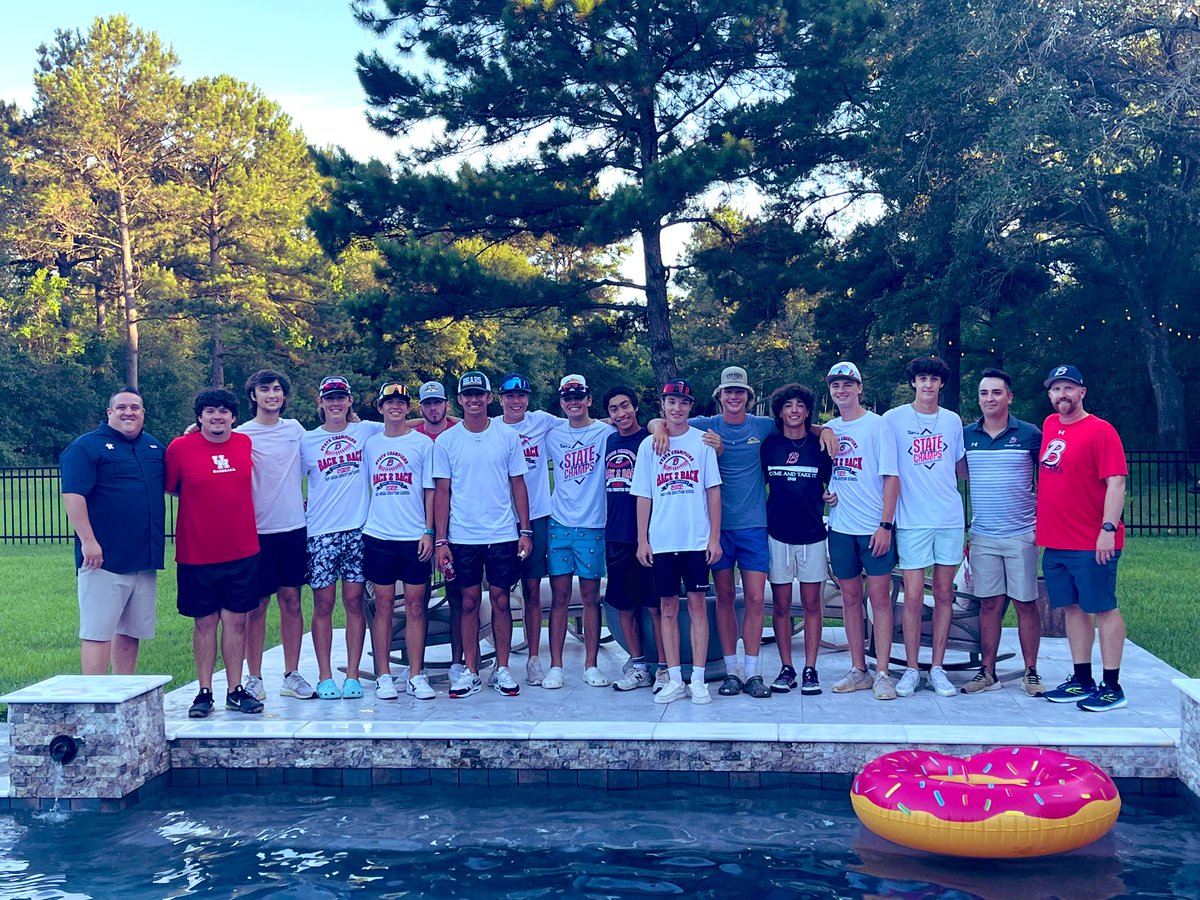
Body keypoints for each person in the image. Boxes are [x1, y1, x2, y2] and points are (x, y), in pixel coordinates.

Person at [433, 371, 533, 698]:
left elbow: (518, 484)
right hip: (462, 536)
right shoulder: (447, 441)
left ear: (489, 398)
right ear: (459, 400)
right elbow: (443, 492)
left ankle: (502, 668)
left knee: (502, 599)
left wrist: (525, 529)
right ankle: (471, 670)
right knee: (469, 601)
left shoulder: (506, 436)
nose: (474, 400)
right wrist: (441, 539)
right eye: (467, 395)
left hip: (502, 533)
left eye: (480, 394)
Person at [1036, 365, 1129, 712]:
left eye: (1069, 388)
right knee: (1072, 610)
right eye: (1056, 389)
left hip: (1091, 542)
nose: (1063, 395)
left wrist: (1107, 529)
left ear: (1082, 392)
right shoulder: (1049, 425)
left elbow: (1116, 483)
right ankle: (1081, 679)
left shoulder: (1101, 431)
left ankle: (1112, 686)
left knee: (1102, 608)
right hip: (1056, 541)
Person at [165, 388, 262, 718]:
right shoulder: (180, 448)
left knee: (236, 623)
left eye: (223, 411)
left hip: (242, 550)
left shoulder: (245, 443)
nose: (217, 416)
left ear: (234, 417)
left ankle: (235, 689)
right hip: (197, 554)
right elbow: (173, 486)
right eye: (210, 411)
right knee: (204, 624)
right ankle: (204, 691)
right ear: (199, 416)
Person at [61, 388, 165, 675]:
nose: (128, 412)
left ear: (143, 413)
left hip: (143, 560)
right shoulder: (86, 447)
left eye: (135, 407)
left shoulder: (153, 447)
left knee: (130, 633)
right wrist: (88, 542)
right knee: (98, 633)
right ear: (109, 413)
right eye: (121, 407)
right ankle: (95, 702)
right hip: (103, 559)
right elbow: (73, 495)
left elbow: (177, 481)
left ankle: (124, 696)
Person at [633, 380, 723, 705]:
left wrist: (714, 536)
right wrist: (642, 540)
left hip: (696, 540)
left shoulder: (702, 443)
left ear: (690, 406)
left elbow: (713, 491)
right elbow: (643, 495)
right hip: (662, 540)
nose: (676, 408)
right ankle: (673, 677)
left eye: (683, 403)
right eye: (671, 402)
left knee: (698, 608)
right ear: (663, 405)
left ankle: (698, 678)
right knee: (667, 608)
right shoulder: (649, 446)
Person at [882, 356, 967, 699]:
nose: (928, 385)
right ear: (913, 383)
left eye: (934, 379)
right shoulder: (894, 419)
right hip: (913, 520)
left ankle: (938, 667)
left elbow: (961, 466)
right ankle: (912, 669)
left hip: (948, 518)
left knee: (944, 595)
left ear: (941, 383)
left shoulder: (953, 421)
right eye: (922, 379)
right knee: (914, 597)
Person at [961, 368, 1045, 696]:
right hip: (982, 536)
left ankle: (1032, 671)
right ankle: (987, 671)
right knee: (989, 605)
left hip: (1021, 533)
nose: (990, 399)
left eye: (997, 392)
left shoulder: (1029, 434)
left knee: (1025, 604)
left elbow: (1051, 476)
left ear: (1009, 397)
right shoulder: (966, 435)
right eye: (984, 393)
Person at [300, 375, 384, 700]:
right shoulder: (307, 440)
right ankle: (324, 675)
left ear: (350, 401)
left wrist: (447, 418)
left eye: (341, 397)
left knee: (354, 602)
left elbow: (403, 423)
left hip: (357, 531)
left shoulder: (365, 431)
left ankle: (352, 675)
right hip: (321, 532)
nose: (335, 403)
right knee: (323, 603)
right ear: (320, 402)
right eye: (329, 397)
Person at [235, 369, 316, 702]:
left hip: (293, 528)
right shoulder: (240, 434)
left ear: (284, 396)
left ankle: (291, 673)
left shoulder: (295, 430)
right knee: (256, 607)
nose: (272, 394)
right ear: (253, 395)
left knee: (292, 601)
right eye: (264, 389)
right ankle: (253, 677)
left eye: (278, 389)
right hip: (256, 532)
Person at [822, 361, 901, 700]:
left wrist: (885, 524)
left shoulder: (877, 425)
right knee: (850, 599)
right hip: (840, 526)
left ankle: (883, 671)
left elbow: (892, 478)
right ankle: (859, 669)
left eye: (847, 384)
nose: (841, 391)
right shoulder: (831, 427)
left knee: (879, 599)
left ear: (859, 388)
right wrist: (825, 491)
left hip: (873, 527)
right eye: (835, 386)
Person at [362, 382, 437, 700]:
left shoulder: (422, 445)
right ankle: (384, 675)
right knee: (382, 607)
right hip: (379, 535)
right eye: (389, 402)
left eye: (401, 402)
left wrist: (429, 531)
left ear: (409, 408)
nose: (395, 406)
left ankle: (417, 674)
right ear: (380, 408)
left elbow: (430, 490)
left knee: (416, 606)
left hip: (413, 537)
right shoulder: (370, 444)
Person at [760, 384, 833, 695]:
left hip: (813, 534)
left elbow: (835, 481)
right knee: (781, 605)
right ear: (779, 411)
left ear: (807, 411)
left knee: (812, 604)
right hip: (777, 534)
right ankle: (787, 667)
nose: (794, 410)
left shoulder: (820, 444)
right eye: (788, 406)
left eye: (800, 405)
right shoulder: (769, 445)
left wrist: (831, 493)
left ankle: (810, 669)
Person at [543, 375, 615, 688]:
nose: (573, 402)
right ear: (561, 402)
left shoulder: (605, 432)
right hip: (559, 523)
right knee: (559, 596)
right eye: (567, 397)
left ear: (588, 399)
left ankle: (590, 665)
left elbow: (643, 428)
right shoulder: (552, 433)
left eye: (579, 396)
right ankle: (556, 666)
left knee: (589, 596)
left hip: (593, 524)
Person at [603, 386, 666, 693]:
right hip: (616, 535)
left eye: (625, 406)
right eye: (614, 409)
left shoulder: (652, 438)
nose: (621, 413)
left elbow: (662, 423)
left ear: (636, 407)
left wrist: (657, 424)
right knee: (624, 606)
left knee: (655, 606)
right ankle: (638, 664)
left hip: (650, 536)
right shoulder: (608, 439)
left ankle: (664, 668)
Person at [494, 373, 555, 686]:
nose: (516, 401)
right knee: (499, 593)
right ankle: (500, 661)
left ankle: (533, 658)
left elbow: (584, 424)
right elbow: (451, 420)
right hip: (502, 521)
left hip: (538, 516)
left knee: (532, 591)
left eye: (521, 396)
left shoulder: (541, 421)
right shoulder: (491, 427)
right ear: (500, 398)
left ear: (528, 399)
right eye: (509, 396)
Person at [412, 380, 470, 679]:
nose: (433, 408)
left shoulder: (457, 432)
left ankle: (458, 660)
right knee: (418, 596)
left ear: (446, 404)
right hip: (420, 527)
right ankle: (416, 665)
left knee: (457, 592)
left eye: (438, 402)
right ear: (420, 407)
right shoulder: (414, 434)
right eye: (427, 403)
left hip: (453, 525)